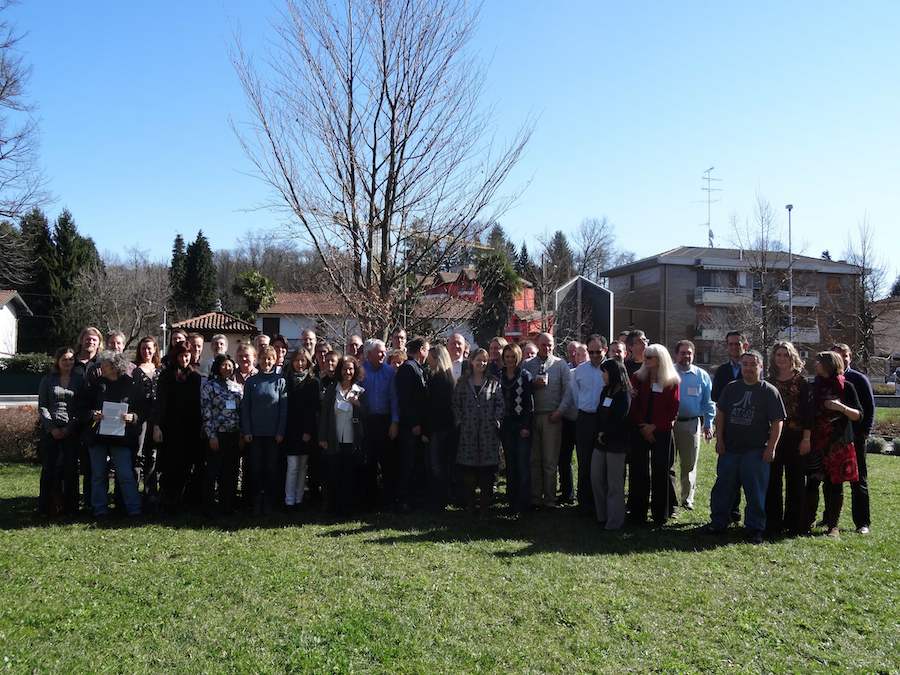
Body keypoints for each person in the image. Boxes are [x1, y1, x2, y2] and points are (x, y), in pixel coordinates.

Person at [707, 350, 785, 544]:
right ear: (740, 367)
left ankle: (755, 528)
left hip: (756, 451)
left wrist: (771, 448)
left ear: (760, 367)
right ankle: (718, 523)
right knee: (723, 488)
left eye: (753, 364)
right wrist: (720, 440)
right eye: (745, 364)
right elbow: (721, 414)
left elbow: (777, 421)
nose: (748, 368)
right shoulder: (731, 388)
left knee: (755, 491)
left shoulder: (768, 391)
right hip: (731, 450)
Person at [805, 351, 862, 538]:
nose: (815, 365)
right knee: (812, 481)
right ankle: (807, 521)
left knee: (834, 485)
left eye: (819, 362)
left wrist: (840, 407)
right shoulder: (814, 387)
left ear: (829, 364)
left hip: (838, 443)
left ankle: (833, 526)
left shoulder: (846, 387)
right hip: (816, 442)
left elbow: (858, 415)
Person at [83, 350, 144, 518]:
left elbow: (141, 408)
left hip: (121, 438)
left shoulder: (130, 384)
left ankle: (134, 509)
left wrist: (133, 417)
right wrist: (92, 414)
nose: (100, 367)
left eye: (104, 364)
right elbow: (83, 407)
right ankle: (100, 509)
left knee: (125, 474)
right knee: (98, 475)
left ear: (115, 366)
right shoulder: (96, 383)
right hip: (98, 437)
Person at [628, 343, 680, 525]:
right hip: (640, 430)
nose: (646, 359)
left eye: (650, 357)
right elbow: (633, 406)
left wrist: (654, 427)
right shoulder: (637, 378)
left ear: (660, 360)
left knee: (661, 471)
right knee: (639, 471)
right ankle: (637, 512)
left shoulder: (672, 381)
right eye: (646, 356)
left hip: (662, 432)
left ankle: (660, 513)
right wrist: (643, 426)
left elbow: (672, 410)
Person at [764, 341, 811, 537]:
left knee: (796, 481)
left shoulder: (802, 382)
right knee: (772, 481)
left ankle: (793, 523)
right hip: (773, 437)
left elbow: (809, 413)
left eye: (785, 354)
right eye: (778, 355)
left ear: (793, 356)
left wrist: (806, 438)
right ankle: (772, 523)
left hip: (796, 437)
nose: (781, 358)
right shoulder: (768, 382)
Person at [452, 348, 505, 516]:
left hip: (488, 434)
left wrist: (496, 420)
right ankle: (470, 505)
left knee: (487, 472)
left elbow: (500, 404)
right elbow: (455, 404)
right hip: (468, 432)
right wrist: (459, 420)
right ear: (471, 361)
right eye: (478, 360)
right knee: (469, 471)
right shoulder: (462, 382)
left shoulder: (494, 382)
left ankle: (484, 507)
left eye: (484, 360)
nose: (481, 363)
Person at [522, 332, 570, 508]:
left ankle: (549, 499)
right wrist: (532, 384)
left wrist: (560, 412)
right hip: (533, 417)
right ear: (537, 344)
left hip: (552, 417)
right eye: (543, 345)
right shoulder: (527, 364)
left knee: (550, 461)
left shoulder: (560, 365)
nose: (547, 348)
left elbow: (568, 392)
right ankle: (535, 497)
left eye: (550, 345)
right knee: (534, 460)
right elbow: (523, 390)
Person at [831, 343, 875, 534]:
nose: (842, 358)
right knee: (833, 480)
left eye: (845, 355)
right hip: (833, 439)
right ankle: (830, 519)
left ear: (850, 357)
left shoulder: (858, 379)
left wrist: (864, 432)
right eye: (838, 355)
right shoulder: (828, 379)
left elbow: (869, 408)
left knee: (858, 481)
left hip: (855, 437)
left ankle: (862, 522)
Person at [155, 343, 203, 513]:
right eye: (182, 355)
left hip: (191, 429)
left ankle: (185, 501)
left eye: (187, 355)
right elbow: (160, 403)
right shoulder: (166, 376)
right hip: (170, 429)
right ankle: (167, 502)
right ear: (176, 356)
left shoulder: (196, 377)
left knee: (187, 466)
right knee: (170, 467)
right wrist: (158, 426)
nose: (185, 358)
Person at [241, 346, 288, 515]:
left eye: (269, 359)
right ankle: (255, 502)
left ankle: (269, 501)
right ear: (258, 360)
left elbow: (283, 409)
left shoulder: (280, 381)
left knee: (271, 469)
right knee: (255, 469)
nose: (266, 362)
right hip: (254, 435)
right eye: (263, 358)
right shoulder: (251, 381)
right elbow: (245, 408)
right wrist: (247, 430)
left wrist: (280, 432)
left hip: (273, 435)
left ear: (274, 360)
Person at [37, 347, 83, 516]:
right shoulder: (48, 380)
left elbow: (80, 407)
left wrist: (69, 428)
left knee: (71, 469)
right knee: (49, 468)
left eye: (71, 359)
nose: (68, 362)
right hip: (51, 430)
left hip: (72, 430)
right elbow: (42, 406)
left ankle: (71, 508)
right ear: (57, 361)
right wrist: (52, 428)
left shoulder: (79, 380)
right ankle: (46, 507)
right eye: (64, 359)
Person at [710, 330, 750, 523]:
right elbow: (716, 398)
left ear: (745, 345)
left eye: (737, 343)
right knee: (727, 474)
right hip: (728, 429)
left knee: (747, 474)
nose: (734, 347)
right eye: (731, 344)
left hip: (750, 429)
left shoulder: (754, 367)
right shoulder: (722, 371)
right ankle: (730, 512)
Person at [318, 355, 365, 515]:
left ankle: (348, 509)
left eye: (351, 369)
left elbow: (367, 414)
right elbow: (324, 415)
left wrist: (358, 404)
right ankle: (332, 508)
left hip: (352, 441)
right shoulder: (332, 390)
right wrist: (323, 437)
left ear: (355, 371)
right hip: (334, 439)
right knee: (333, 475)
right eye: (345, 369)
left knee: (349, 475)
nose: (348, 372)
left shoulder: (360, 391)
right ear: (340, 370)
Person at [672, 340, 715, 511]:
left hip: (691, 424)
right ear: (676, 354)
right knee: (667, 462)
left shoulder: (701, 375)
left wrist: (708, 423)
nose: (686, 356)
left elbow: (708, 402)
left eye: (689, 353)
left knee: (689, 463)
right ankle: (669, 496)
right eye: (683, 353)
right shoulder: (669, 372)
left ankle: (687, 498)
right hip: (669, 424)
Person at [591, 358, 631, 530]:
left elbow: (621, 419)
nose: (602, 376)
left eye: (605, 372)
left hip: (616, 443)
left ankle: (615, 521)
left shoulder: (624, 394)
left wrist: (605, 433)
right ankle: (602, 515)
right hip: (600, 442)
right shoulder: (605, 391)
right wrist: (600, 432)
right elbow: (600, 413)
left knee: (614, 483)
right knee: (596, 478)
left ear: (613, 373)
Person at [201, 354, 243, 515]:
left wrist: (241, 435)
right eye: (224, 365)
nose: (227, 368)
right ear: (218, 367)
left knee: (231, 472)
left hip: (233, 435)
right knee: (212, 472)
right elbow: (206, 412)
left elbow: (241, 412)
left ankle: (228, 505)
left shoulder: (237, 387)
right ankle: (209, 507)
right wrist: (211, 435)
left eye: (230, 365)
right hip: (216, 436)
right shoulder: (209, 387)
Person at [569, 336, 608, 514]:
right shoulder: (579, 371)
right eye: (590, 352)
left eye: (597, 352)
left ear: (605, 350)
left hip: (603, 420)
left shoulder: (611, 369)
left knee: (603, 463)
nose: (593, 355)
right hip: (584, 419)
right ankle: (584, 502)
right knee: (584, 461)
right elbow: (575, 394)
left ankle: (602, 501)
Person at [361, 339, 399, 510]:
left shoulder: (390, 372)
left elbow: (394, 399)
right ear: (369, 354)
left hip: (385, 422)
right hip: (367, 422)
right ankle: (369, 502)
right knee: (368, 463)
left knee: (388, 464)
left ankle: (389, 500)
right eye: (380, 352)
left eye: (384, 351)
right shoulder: (360, 371)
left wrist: (394, 422)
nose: (384, 354)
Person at [395, 336, 431, 511]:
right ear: (422, 349)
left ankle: (414, 498)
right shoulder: (408, 369)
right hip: (410, 427)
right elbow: (406, 400)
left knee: (415, 462)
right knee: (408, 463)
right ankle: (404, 499)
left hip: (416, 426)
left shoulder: (418, 368)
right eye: (427, 349)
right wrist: (414, 423)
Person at [498, 343, 533, 517]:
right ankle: (511, 502)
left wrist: (526, 425)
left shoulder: (525, 376)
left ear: (518, 357)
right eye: (507, 357)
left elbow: (528, 404)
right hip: (505, 426)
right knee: (510, 466)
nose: (510, 360)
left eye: (513, 357)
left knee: (522, 465)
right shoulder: (499, 376)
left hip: (521, 426)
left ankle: (524, 503)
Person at [282, 348, 319, 509]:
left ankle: (299, 499)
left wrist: (308, 431)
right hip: (290, 429)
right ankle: (289, 500)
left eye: (303, 360)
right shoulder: (285, 380)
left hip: (306, 430)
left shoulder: (313, 382)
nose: (300, 363)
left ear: (308, 362)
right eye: (297, 360)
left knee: (303, 466)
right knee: (292, 466)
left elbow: (313, 409)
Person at [424, 344, 456, 510]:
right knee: (444, 463)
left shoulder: (438, 380)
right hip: (448, 427)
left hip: (438, 428)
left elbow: (434, 408)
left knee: (437, 464)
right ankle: (444, 496)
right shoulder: (449, 378)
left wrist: (427, 430)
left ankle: (440, 499)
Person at [132, 336, 162, 508]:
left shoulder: (160, 370)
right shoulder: (134, 369)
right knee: (138, 455)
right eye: (143, 348)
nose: (147, 352)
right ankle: (133, 494)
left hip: (156, 419)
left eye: (150, 348)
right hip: (139, 418)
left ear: (155, 350)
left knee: (153, 456)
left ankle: (151, 494)